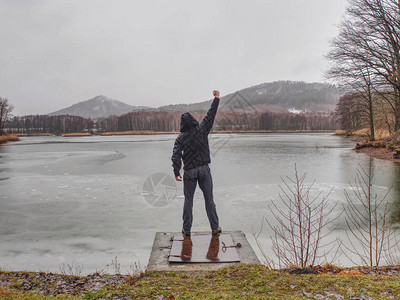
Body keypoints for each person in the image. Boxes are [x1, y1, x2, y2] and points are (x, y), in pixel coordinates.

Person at [172, 90, 222, 236]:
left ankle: (186, 229)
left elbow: (175, 155)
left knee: (188, 201)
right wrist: (216, 99)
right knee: (209, 199)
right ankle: (215, 227)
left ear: (182, 124)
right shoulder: (201, 130)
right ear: (193, 120)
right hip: (204, 170)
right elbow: (210, 115)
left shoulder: (180, 138)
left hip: (189, 172)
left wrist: (176, 171)